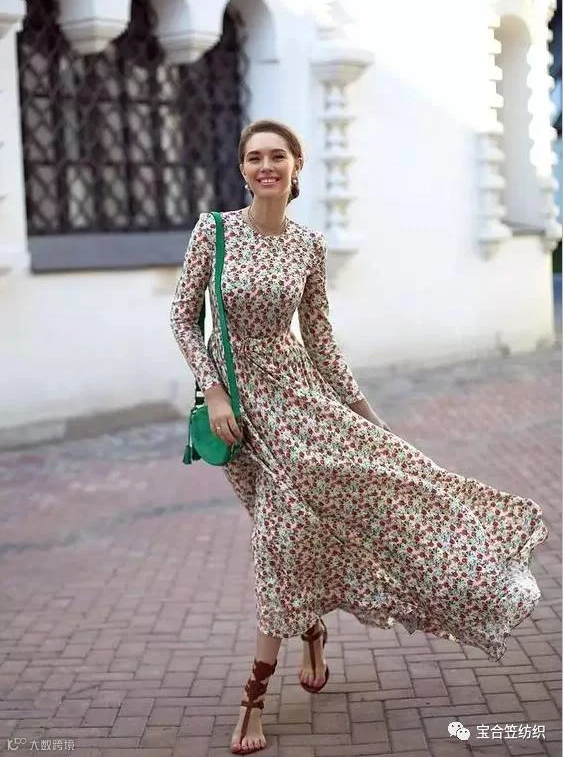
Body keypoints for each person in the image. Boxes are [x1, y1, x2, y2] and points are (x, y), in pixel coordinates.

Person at [170, 119, 549, 755]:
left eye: (278, 156)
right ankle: (312, 630)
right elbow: (184, 318)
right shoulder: (215, 232)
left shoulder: (307, 245)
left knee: (283, 539)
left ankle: (253, 698)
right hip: (237, 414)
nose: (266, 166)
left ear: (296, 166)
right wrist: (212, 389)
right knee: (287, 535)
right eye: (255, 158)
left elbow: (319, 339)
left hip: (300, 406)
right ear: (242, 169)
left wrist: (365, 413)